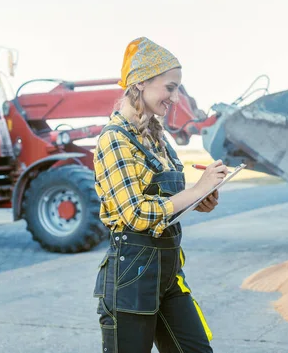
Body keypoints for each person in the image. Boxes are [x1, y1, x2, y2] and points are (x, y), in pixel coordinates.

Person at [92, 37, 227, 353]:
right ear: (140, 83)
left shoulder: (157, 137)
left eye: (177, 88)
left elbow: (166, 203)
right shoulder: (114, 139)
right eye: (170, 87)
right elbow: (137, 214)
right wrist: (195, 189)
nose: (176, 97)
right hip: (131, 277)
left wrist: (199, 199)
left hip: (168, 274)